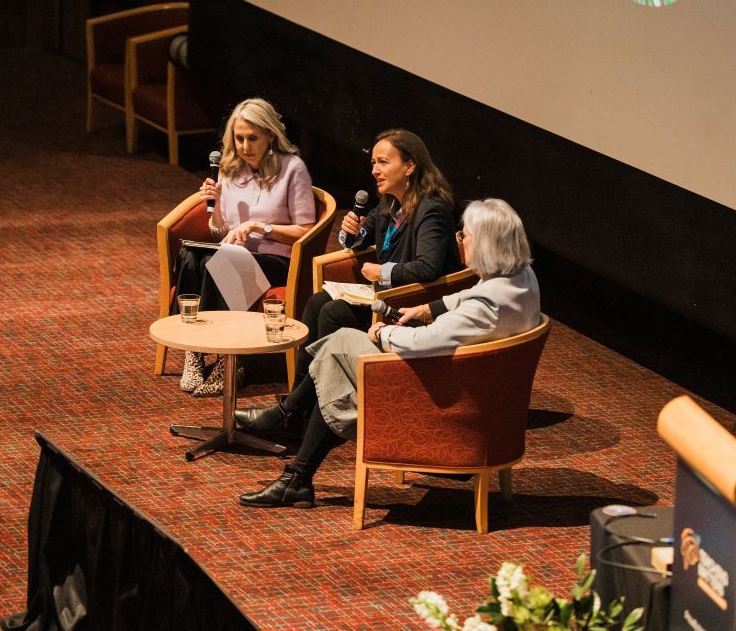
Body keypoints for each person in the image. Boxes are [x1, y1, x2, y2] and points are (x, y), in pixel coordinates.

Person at [238, 198, 541, 508]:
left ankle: (291, 432)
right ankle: (296, 469)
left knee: (339, 346)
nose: (458, 239)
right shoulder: (521, 280)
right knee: (337, 367)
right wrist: (428, 307)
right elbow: (471, 295)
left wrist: (384, 333)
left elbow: (424, 342)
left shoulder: (485, 307)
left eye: (464, 235)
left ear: (487, 244)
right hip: (474, 391)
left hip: (444, 401)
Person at [234, 128, 461, 429]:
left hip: (410, 304)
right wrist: (351, 232)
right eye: (373, 163)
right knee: (317, 302)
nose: (375, 170)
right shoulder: (390, 206)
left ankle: (307, 413)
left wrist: (383, 272)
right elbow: (360, 243)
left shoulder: (431, 211)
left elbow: (428, 268)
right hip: (383, 295)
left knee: (333, 312)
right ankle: (299, 411)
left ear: (410, 166)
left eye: (383, 162)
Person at [175, 98, 316, 395]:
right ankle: (195, 354)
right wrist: (213, 207)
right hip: (233, 254)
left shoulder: (293, 169)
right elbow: (219, 234)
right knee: (191, 255)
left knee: (224, 259)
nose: (244, 146)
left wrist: (257, 227)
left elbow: (305, 231)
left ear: (270, 136)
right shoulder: (229, 169)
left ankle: (232, 360)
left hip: (277, 261)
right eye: (238, 138)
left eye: (252, 138)